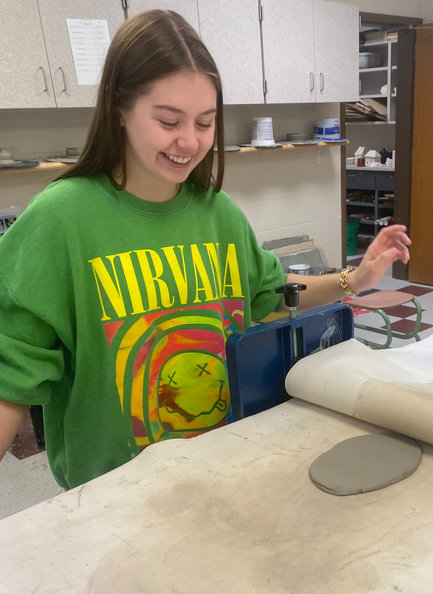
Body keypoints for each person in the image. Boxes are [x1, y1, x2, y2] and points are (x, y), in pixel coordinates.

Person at [0, 10, 410, 491]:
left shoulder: (219, 214)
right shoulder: (60, 219)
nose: (189, 141)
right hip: (112, 493)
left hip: (220, 468)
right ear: (119, 109)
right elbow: (12, 374)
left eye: (205, 122)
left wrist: (353, 280)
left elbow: (271, 295)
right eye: (168, 120)